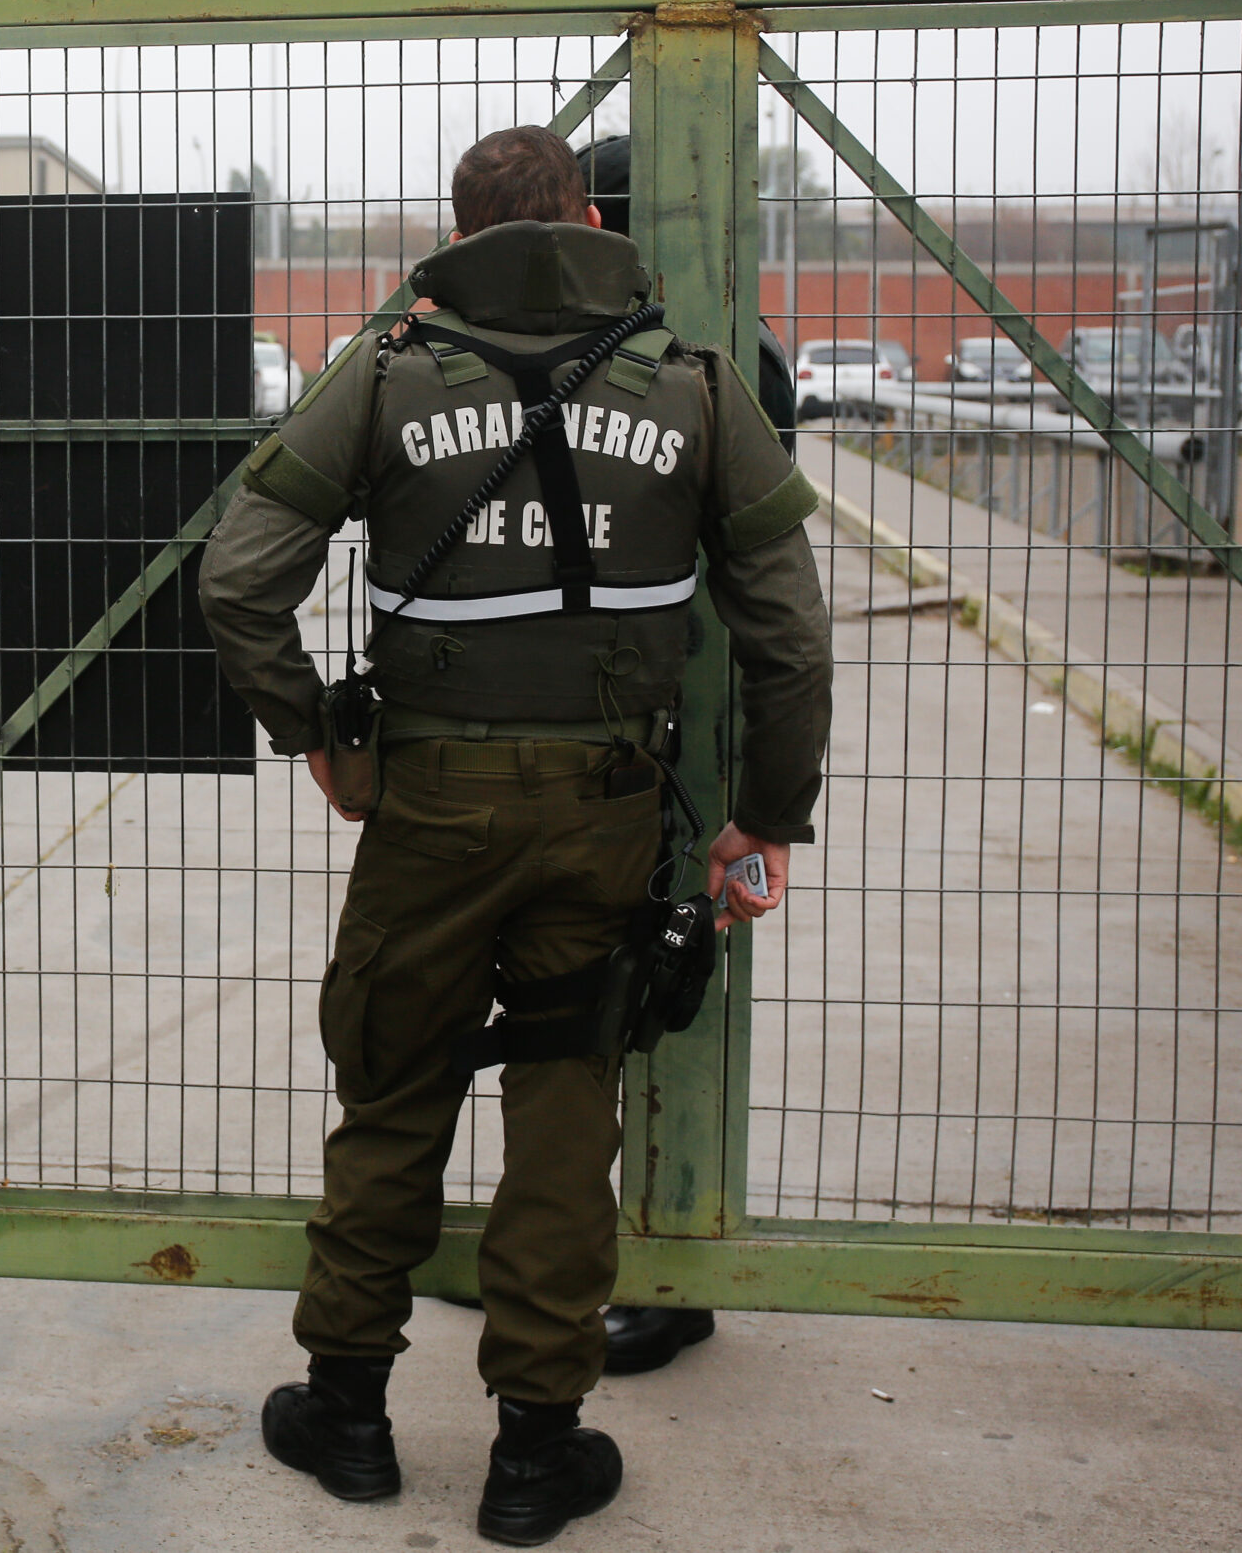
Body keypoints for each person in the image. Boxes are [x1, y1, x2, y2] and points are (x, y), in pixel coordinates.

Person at [198, 126, 831, 1545]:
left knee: (392, 1082)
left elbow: (237, 582)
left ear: (459, 234)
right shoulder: (696, 386)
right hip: (608, 813)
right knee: (564, 1107)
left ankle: (348, 1416)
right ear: (589, 220)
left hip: (426, 807)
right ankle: (537, 1453)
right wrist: (765, 815)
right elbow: (788, 634)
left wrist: (318, 736)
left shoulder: (383, 375)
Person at [565, 132, 799, 1377]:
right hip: (645, 698)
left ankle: (667, 1272)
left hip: (686, 707)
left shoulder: (705, 358)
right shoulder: (682, 346)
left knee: (654, 982)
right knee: (597, 977)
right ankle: (575, 1254)